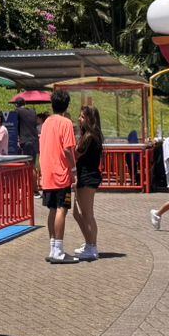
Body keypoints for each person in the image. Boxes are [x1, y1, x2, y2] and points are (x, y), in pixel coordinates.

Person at [39, 89, 78, 263]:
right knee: (62, 209)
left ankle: (53, 247)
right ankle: (59, 251)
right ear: (66, 105)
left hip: (48, 172)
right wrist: (74, 169)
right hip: (61, 172)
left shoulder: (46, 122)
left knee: (52, 209)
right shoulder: (66, 123)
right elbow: (68, 149)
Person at [72, 102, 104, 261]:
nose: (79, 119)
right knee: (79, 213)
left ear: (90, 119)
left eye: (82, 117)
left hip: (87, 176)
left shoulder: (90, 137)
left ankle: (92, 247)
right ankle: (89, 243)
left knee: (86, 214)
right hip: (86, 175)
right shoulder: (90, 135)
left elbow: (75, 154)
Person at [15, 101, 40, 192]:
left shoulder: (18, 111)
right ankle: (34, 187)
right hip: (35, 141)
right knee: (33, 165)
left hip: (25, 141)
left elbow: (15, 125)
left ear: (16, 105)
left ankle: (33, 189)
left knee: (28, 166)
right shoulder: (32, 112)